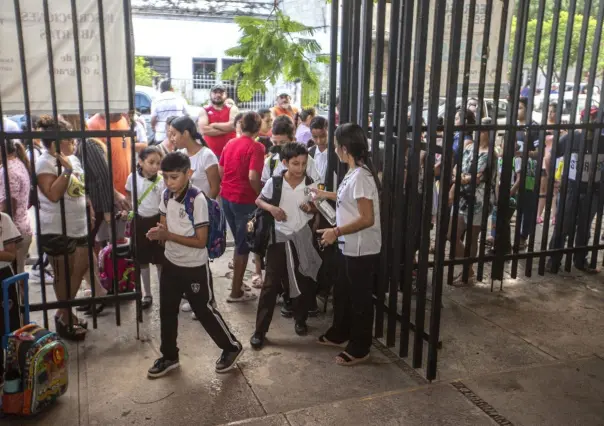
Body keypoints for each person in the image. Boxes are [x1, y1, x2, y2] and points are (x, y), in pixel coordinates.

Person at [146, 152, 242, 377]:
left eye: (174, 177)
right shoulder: (166, 194)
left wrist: (167, 235)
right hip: (171, 263)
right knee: (167, 311)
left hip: (194, 267)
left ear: (188, 174)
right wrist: (158, 234)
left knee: (204, 310)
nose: (169, 183)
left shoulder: (196, 199)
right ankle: (169, 356)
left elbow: (200, 242)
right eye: (165, 177)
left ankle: (231, 347)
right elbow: (163, 224)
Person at [311, 123, 381, 366]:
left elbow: (366, 218)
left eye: (334, 145)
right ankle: (340, 332)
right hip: (347, 245)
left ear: (344, 148)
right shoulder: (353, 172)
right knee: (343, 291)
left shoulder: (361, 176)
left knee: (360, 299)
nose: (333, 149)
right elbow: (346, 199)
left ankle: (360, 346)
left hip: (361, 248)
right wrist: (323, 195)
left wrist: (335, 231)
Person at [35, 115, 108, 341]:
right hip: (56, 228)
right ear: (56, 143)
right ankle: (66, 317)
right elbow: (53, 194)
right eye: (70, 140)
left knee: (84, 263)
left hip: (79, 225)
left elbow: (79, 187)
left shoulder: (72, 159)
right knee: (64, 274)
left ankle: (63, 312)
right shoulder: (45, 162)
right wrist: (65, 171)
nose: (74, 143)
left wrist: (89, 206)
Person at [250, 143, 321, 349]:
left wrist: (311, 208)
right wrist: (272, 208)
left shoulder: (311, 183)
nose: (300, 168)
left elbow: (318, 206)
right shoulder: (275, 182)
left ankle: (300, 320)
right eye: (295, 163)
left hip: (302, 237)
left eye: (303, 164)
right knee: (271, 284)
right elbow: (259, 201)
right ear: (284, 163)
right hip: (278, 238)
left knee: (302, 279)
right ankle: (260, 331)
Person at [547, 107, 603, 274]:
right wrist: (553, 180)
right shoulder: (570, 138)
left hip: (592, 191)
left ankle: (580, 260)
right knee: (563, 225)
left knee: (584, 227)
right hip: (570, 189)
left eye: (596, 119)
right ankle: (554, 260)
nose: (593, 123)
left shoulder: (601, 142)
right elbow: (549, 157)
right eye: (590, 119)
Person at [219, 112, 265, 303]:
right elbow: (254, 177)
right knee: (243, 245)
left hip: (227, 197)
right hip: (245, 200)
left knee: (239, 242)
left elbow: (220, 169)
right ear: (258, 128)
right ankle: (236, 291)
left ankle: (237, 283)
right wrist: (259, 194)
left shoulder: (230, 143)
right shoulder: (257, 147)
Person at [448, 119, 494, 286]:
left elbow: (476, 177)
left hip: (478, 200)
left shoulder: (490, 154)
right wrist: (461, 177)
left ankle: (467, 271)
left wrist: (460, 177)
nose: (477, 132)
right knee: (451, 234)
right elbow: (456, 168)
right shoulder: (469, 148)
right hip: (462, 196)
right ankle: (468, 266)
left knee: (472, 238)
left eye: (481, 130)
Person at [125, 146, 165, 310]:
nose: (155, 166)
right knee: (142, 260)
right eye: (151, 162)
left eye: (158, 163)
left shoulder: (161, 181)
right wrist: (129, 209)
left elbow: (164, 205)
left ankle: (164, 292)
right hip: (139, 222)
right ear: (140, 162)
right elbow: (128, 194)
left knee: (160, 259)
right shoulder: (132, 178)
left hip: (156, 222)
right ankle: (147, 294)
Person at [86, 112, 133, 244]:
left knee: (120, 240)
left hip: (125, 193)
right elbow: (95, 168)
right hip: (108, 197)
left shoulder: (123, 120)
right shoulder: (93, 125)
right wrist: (113, 192)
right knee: (102, 240)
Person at [0, 139, 32, 273]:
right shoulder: (18, 163)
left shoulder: (7, 170)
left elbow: (9, 205)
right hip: (22, 228)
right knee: (19, 276)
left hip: (12, 234)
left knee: (14, 279)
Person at [170, 116, 220, 199]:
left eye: (174, 134)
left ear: (185, 133)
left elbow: (215, 188)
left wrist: (204, 205)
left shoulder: (207, 156)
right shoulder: (179, 154)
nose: (171, 139)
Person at [262, 116, 321, 184]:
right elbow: (265, 186)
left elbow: (316, 186)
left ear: (293, 140)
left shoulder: (307, 161)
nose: (278, 146)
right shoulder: (270, 162)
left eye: (282, 142)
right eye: (275, 142)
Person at [198, 84, 239, 158]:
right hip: (211, 153)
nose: (218, 95)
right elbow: (204, 130)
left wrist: (214, 125)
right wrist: (228, 129)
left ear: (226, 95)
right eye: (215, 92)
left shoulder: (233, 109)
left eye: (221, 92)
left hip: (231, 152)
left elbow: (233, 125)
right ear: (210, 94)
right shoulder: (204, 110)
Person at [150, 79, 188, 144]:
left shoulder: (156, 100)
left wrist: (153, 128)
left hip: (161, 136)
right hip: (178, 136)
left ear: (161, 89)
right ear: (172, 89)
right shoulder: (180, 99)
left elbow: (153, 119)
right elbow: (187, 116)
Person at [308, 116, 329, 184]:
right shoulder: (308, 153)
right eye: (315, 137)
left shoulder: (337, 154)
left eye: (323, 136)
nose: (319, 141)